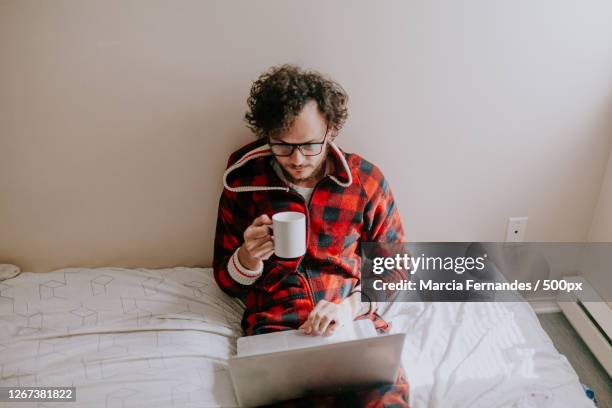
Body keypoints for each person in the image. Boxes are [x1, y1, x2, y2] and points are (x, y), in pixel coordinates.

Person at [213, 64, 409, 407]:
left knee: (386, 399)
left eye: (309, 144)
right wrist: (247, 258)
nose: (298, 159)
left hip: (348, 324)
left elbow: (396, 270)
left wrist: (348, 308)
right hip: (276, 329)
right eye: (283, 146)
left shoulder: (365, 181)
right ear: (267, 134)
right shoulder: (244, 179)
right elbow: (227, 282)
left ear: (330, 130)